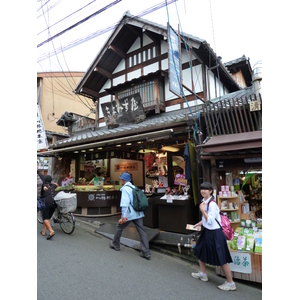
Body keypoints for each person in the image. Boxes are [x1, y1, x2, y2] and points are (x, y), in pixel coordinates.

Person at [191, 182, 236, 291]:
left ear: (210, 191)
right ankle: (203, 274)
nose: (203, 191)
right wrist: (200, 223)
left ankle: (230, 283)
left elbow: (210, 220)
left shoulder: (212, 204)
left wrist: (202, 210)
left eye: (205, 189)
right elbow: (207, 219)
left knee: (221, 258)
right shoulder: (204, 202)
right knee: (200, 249)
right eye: (202, 189)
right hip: (207, 231)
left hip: (215, 233)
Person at [109, 172, 151, 259]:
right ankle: (146, 252)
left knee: (119, 227)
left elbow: (124, 204)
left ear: (124, 180)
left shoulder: (125, 189)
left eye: (121, 179)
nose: (120, 180)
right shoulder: (133, 187)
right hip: (138, 212)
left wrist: (123, 216)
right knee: (142, 231)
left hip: (129, 214)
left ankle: (115, 244)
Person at [40, 175, 57, 240]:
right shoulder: (53, 185)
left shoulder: (43, 186)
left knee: (45, 218)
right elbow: (56, 185)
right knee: (47, 218)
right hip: (54, 203)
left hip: (46, 203)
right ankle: (43, 232)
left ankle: (51, 231)